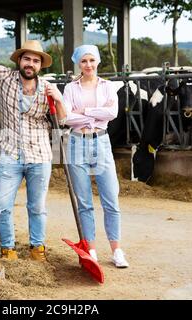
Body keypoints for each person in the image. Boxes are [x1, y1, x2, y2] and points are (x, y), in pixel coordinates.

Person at [0, 40, 66, 261]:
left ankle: (37, 248)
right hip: (10, 153)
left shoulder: (48, 88)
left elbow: (63, 120)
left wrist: (59, 99)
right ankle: (8, 249)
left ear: (40, 65)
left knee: (37, 206)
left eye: (35, 60)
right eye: (27, 59)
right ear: (19, 61)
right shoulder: (5, 77)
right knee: (1, 205)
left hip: (40, 154)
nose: (30, 64)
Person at [62, 45, 129, 268]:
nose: (88, 65)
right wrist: (94, 112)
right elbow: (66, 118)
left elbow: (112, 113)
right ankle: (90, 248)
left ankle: (116, 249)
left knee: (111, 198)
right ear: (78, 64)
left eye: (91, 60)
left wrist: (84, 112)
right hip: (75, 143)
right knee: (84, 201)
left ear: (98, 61)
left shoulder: (108, 86)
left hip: (100, 141)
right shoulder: (70, 88)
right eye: (83, 61)